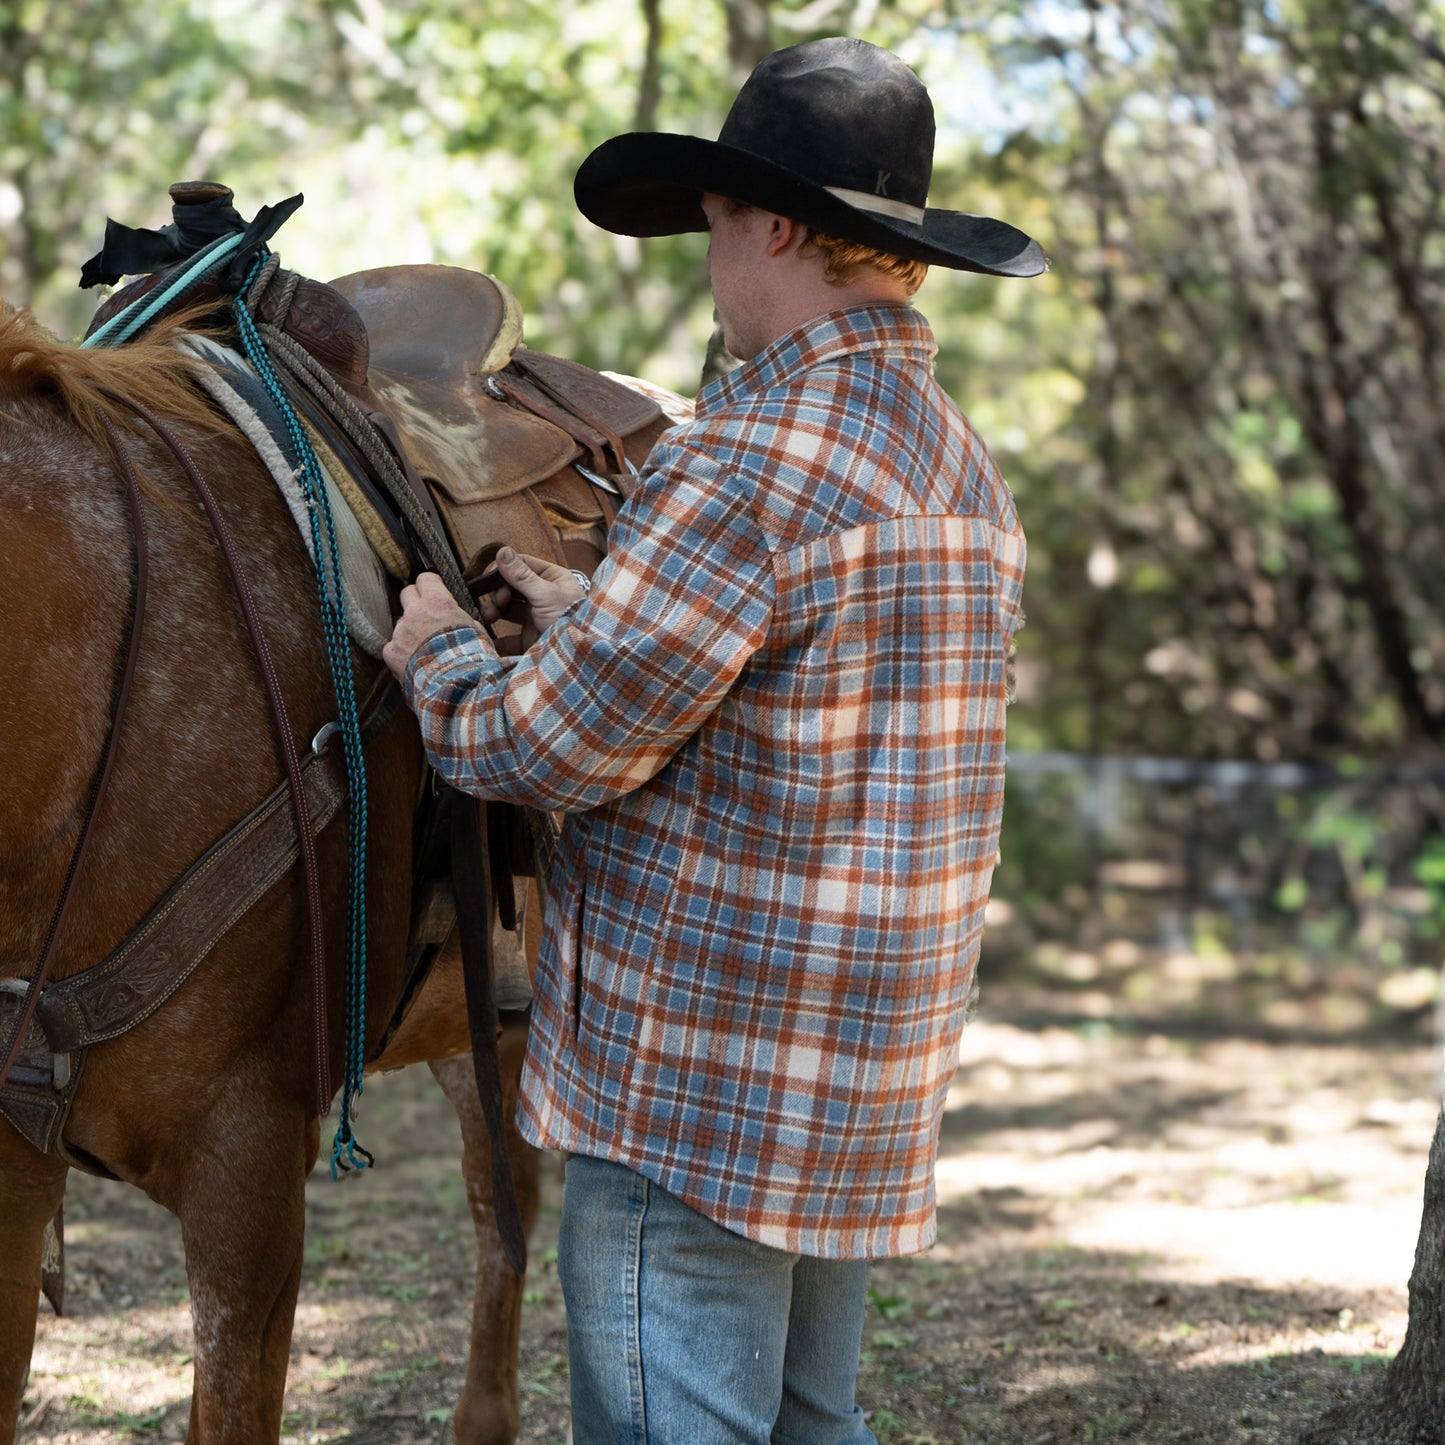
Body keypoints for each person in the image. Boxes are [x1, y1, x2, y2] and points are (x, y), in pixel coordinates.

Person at [384, 35, 1042, 1445]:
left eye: (720, 224)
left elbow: (543, 753)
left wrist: (440, 645)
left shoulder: (745, 458)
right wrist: (597, 608)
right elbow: (807, 684)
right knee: (811, 1419)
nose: (708, 256)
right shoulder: (949, 457)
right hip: (857, 1061)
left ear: (785, 230)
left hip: (698, 1080)